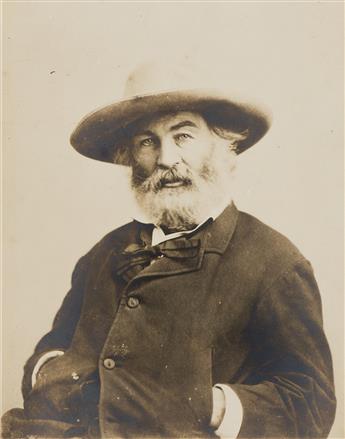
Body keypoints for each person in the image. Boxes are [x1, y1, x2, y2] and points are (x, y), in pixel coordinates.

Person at [2, 63, 336, 439]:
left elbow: (311, 404)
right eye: (148, 141)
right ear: (130, 158)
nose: (166, 159)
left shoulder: (275, 261)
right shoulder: (104, 254)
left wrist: (208, 406)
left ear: (223, 144)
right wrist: (56, 378)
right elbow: (50, 354)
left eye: (183, 136)